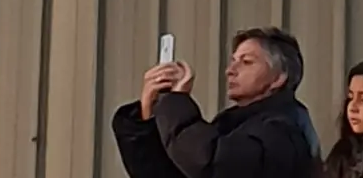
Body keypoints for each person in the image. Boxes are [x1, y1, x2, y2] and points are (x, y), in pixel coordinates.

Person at [111, 26, 322, 178]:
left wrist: (176, 101)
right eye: (233, 61)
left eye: (246, 62)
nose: (230, 70)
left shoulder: (283, 130)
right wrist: (148, 111)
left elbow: (213, 163)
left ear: (279, 78)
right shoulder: (234, 126)